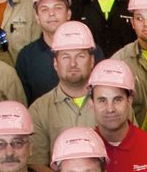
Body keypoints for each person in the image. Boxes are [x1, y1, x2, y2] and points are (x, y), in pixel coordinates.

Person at [84, 58, 147, 172]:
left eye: (117, 99)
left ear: (129, 101)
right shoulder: (84, 151)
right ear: (91, 104)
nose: (110, 108)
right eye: (102, 100)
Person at [29, 20, 102, 161]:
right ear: (55, 63)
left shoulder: (113, 103)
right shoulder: (39, 110)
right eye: (65, 57)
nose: (73, 63)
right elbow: (36, 165)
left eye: (80, 56)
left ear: (92, 61)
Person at [14, 0, 92, 102]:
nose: (51, 13)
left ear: (68, 14)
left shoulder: (90, 50)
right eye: (44, 9)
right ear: (37, 18)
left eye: (58, 7)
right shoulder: (26, 57)